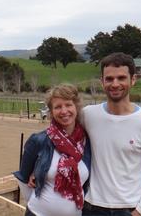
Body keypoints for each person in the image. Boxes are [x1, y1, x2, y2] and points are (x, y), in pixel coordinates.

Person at [82, 52, 141, 216]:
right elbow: (58, 137)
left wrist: (140, 211)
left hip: (128, 209)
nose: (115, 84)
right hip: (90, 207)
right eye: (109, 79)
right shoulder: (88, 115)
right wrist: (35, 169)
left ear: (133, 79)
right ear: (102, 82)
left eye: (121, 78)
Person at [14, 84, 92, 216]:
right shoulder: (39, 140)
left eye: (68, 105)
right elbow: (23, 177)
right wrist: (36, 205)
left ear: (76, 107)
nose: (64, 111)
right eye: (57, 107)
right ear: (51, 111)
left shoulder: (86, 142)